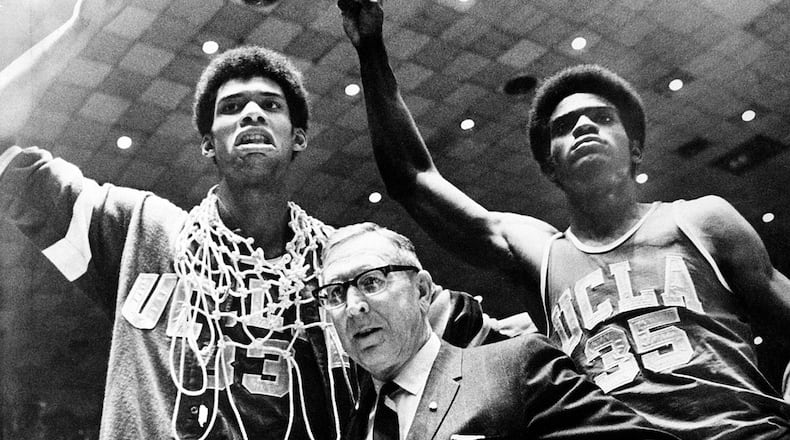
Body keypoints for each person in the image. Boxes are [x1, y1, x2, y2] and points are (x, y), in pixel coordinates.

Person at [0, 1, 508, 439]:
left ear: (299, 137)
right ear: (207, 143)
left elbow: (491, 342)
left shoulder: (349, 265)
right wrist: (81, 27)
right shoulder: (139, 229)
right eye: (232, 108)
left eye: (271, 105)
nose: (251, 116)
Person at [338, 1, 790, 438]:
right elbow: (414, 179)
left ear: (634, 148)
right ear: (549, 165)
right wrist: (371, 49)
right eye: (565, 125)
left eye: (602, 117)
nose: (585, 127)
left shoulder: (701, 221)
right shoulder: (543, 255)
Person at [318, 222, 679, 440]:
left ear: (423, 291)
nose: (353, 306)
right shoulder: (354, 423)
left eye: (371, 281)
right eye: (335, 294)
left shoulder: (514, 367)